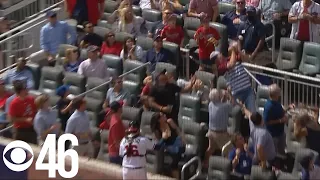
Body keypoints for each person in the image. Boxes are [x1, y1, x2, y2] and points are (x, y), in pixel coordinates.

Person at [150, 112, 185, 179]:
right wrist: (163, 138)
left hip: (177, 145)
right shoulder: (157, 130)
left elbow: (179, 132)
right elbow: (158, 145)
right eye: (162, 115)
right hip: (167, 148)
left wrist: (176, 128)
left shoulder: (170, 122)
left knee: (174, 157)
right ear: (159, 120)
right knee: (170, 158)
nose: (165, 115)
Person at [203, 88, 233, 167]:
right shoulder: (224, 106)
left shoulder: (210, 105)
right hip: (221, 134)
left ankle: (205, 162)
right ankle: (228, 167)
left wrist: (223, 98)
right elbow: (232, 104)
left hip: (211, 132)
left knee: (211, 149)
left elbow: (219, 104)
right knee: (229, 150)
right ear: (219, 97)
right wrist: (229, 94)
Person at [263, 84, 289, 155]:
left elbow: (281, 111)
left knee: (282, 152)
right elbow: (266, 122)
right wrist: (281, 120)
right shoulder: (269, 107)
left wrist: (288, 108)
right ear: (275, 94)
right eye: (279, 91)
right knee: (274, 155)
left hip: (280, 133)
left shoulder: (277, 102)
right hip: (273, 136)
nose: (280, 92)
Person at [8, 80, 37, 144]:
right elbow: (11, 119)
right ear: (20, 91)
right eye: (25, 89)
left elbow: (35, 111)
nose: (27, 90)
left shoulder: (31, 99)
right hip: (20, 131)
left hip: (31, 129)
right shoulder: (14, 103)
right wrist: (25, 119)